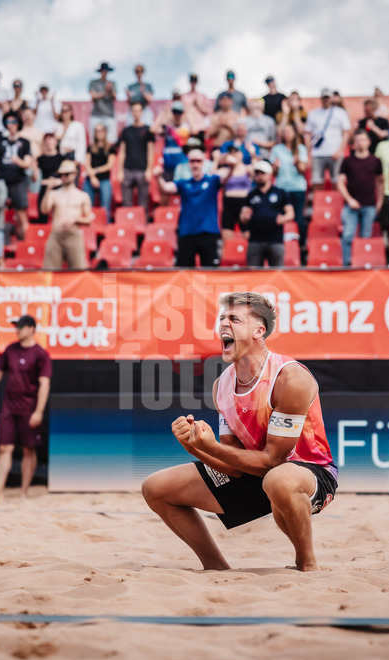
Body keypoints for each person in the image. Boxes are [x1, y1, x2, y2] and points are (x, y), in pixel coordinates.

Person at [141, 291, 337, 572]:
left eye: (234, 318)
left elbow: (273, 461)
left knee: (279, 480)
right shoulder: (222, 385)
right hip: (257, 473)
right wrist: (196, 445)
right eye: (221, 318)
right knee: (156, 488)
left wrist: (210, 446)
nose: (223, 324)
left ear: (259, 331)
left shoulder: (290, 378)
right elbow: (233, 465)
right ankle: (216, 568)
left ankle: (306, 563)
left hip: (307, 472)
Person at [0, 315, 52, 498]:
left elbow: (44, 384)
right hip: (9, 406)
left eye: (20, 326)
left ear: (31, 328)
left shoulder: (40, 354)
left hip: (28, 407)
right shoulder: (10, 350)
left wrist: (38, 411)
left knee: (29, 449)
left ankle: (23, 492)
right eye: (16, 326)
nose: (17, 330)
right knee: (5, 448)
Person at [155, 148, 231, 267]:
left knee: (210, 271)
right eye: (192, 161)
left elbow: (225, 177)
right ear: (188, 163)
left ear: (203, 163)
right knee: (184, 271)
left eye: (198, 161)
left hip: (208, 231)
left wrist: (230, 166)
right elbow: (166, 188)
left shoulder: (212, 180)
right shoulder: (183, 183)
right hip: (187, 232)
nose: (195, 164)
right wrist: (158, 177)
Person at [337, 130, 382, 264]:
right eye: (357, 140)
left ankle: (363, 263)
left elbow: (380, 182)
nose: (360, 143)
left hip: (369, 205)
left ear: (368, 142)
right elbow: (340, 183)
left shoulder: (375, 161)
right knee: (347, 236)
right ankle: (347, 264)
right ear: (353, 144)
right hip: (351, 206)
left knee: (365, 238)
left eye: (363, 140)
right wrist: (349, 199)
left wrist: (380, 201)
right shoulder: (347, 161)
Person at [41, 159, 93, 270]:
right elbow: (44, 210)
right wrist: (48, 189)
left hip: (73, 235)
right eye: (61, 175)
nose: (63, 177)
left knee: (79, 271)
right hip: (56, 235)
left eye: (66, 174)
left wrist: (75, 220)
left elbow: (88, 220)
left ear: (74, 174)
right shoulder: (54, 194)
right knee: (49, 271)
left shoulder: (82, 196)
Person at [239, 160, 293, 267]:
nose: (259, 176)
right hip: (255, 240)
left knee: (277, 274)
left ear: (270, 175)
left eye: (262, 173)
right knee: (254, 275)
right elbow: (242, 216)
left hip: (275, 240)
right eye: (257, 173)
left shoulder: (280, 193)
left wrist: (282, 219)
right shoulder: (251, 194)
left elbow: (290, 213)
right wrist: (245, 216)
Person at [269, 123, 309, 246]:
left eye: (289, 131)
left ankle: (300, 245)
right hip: (281, 188)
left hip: (297, 188)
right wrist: (275, 167)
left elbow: (303, 169)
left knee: (298, 219)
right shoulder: (276, 149)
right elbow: (273, 172)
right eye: (284, 131)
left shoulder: (301, 148)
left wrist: (297, 163)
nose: (286, 134)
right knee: (281, 217)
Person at [0, 112, 34, 239]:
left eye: (14, 122)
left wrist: (18, 161)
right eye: (8, 122)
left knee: (22, 214)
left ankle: (25, 245)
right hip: (1, 180)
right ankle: (0, 243)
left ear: (19, 124)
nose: (11, 125)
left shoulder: (25, 142)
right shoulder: (0, 141)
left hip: (18, 180)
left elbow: (28, 163)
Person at [304, 88, 351, 187]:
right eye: (324, 98)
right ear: (321, 98)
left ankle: (336, 203)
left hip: (335, 153)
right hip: (317, 154)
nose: (326, 100)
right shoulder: (313, 114)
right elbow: (307, 134)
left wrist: (339, 151)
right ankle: (318, 202)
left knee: (337, 182)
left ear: (331, 98)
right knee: (316, 182)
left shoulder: (340, 113)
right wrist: (308, 154)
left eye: (327, 97)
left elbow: (346, 133)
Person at [115, 101, 154, 210]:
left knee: (143, 203)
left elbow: (150, 151)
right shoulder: (126, 131)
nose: (136, 113)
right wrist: (120, 170)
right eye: (134, 111)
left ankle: (143, 224)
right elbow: (122, 151)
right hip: (128, 169)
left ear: (142, 112)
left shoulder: (147, 130)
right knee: (126, 202)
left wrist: (149, 170)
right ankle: (128, 224)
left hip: (142, 170)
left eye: (138, 110)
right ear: (131, 113)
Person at [83, 123, 116, 222]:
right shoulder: (90, 148)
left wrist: (95, 170)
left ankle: (105, 227)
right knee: (87, 207)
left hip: (104, 180)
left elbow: (109, 165)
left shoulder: (110, 148)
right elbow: (87, 164)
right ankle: (88, 226)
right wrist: (93, 177)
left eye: (101, 130)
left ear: (105, 132)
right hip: (90, 180)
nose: (99, 133)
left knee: (105, 209)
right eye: (96, 131)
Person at [89, 62, 118, 144]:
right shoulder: (94, 83)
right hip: (96, 115)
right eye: (103, 70)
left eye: (106, 70)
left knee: (111, 141)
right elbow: (93, 95)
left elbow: (115, 97)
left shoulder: (112, 83)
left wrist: (110, 90)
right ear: (100, 71)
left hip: (109, 115)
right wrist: (105, 92)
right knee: (94, 141)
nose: (105, 72)